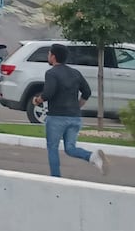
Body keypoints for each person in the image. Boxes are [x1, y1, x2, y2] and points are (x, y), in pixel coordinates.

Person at [32, 43, 109, 177]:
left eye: (49, 54)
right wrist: (78, 106)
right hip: (75, 117)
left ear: (53, 56)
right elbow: (87, 91)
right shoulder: (75, 73)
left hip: (56, 117)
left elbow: (48, 93)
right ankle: (92, 157)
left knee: (52, 148)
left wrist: (37, 100)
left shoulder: (51, 73)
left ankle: (56, 178)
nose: (48, 56)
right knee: (70, 148)